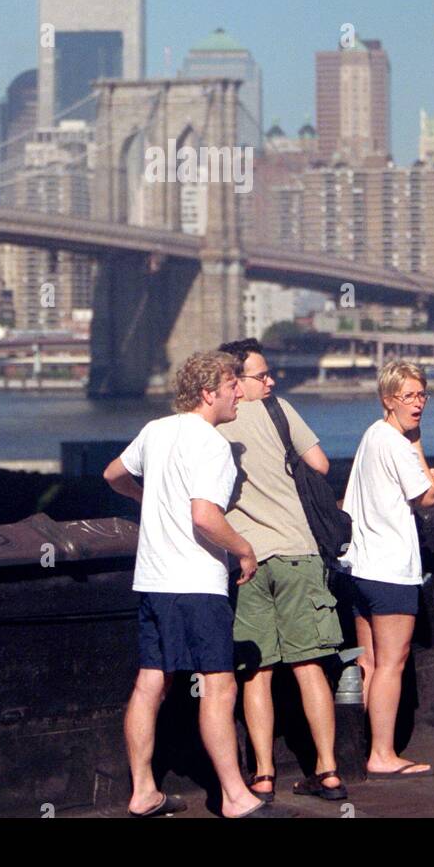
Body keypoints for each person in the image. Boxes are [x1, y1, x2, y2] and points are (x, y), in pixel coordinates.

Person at [103, 349, 291, 819]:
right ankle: (234, 797)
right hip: (195, 583)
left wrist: (147, 498)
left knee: (152, 682)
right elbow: (205, 517)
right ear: (209, 393)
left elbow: (113, 475)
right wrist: (245, 549)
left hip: (152, 579)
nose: (238, 398)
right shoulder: (212, 445)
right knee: (219, 685)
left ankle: (143, 792)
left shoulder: (156, 431)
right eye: (232, 388)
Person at [217, 337, 347, 804]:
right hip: (298, 551)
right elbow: (320, 464)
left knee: (257, 672)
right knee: (311, 664)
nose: (270, 382)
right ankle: (327, 771)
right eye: (261, 375)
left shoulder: (211, 425)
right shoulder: (278, 411)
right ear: (236, 379)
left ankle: (264, 776)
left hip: (246, 560)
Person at [342, 360, 434, 778]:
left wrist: (419, 478)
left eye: (422, 395)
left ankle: (355, 749)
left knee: (367, 663)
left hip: (361, 568)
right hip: (390, 571)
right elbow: (427, 498)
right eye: (409, 396)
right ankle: (382, 754)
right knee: (391, 663)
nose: (418, 403)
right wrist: (422, 461)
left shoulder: (371, 436)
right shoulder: (398, 442)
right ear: (389, 399)